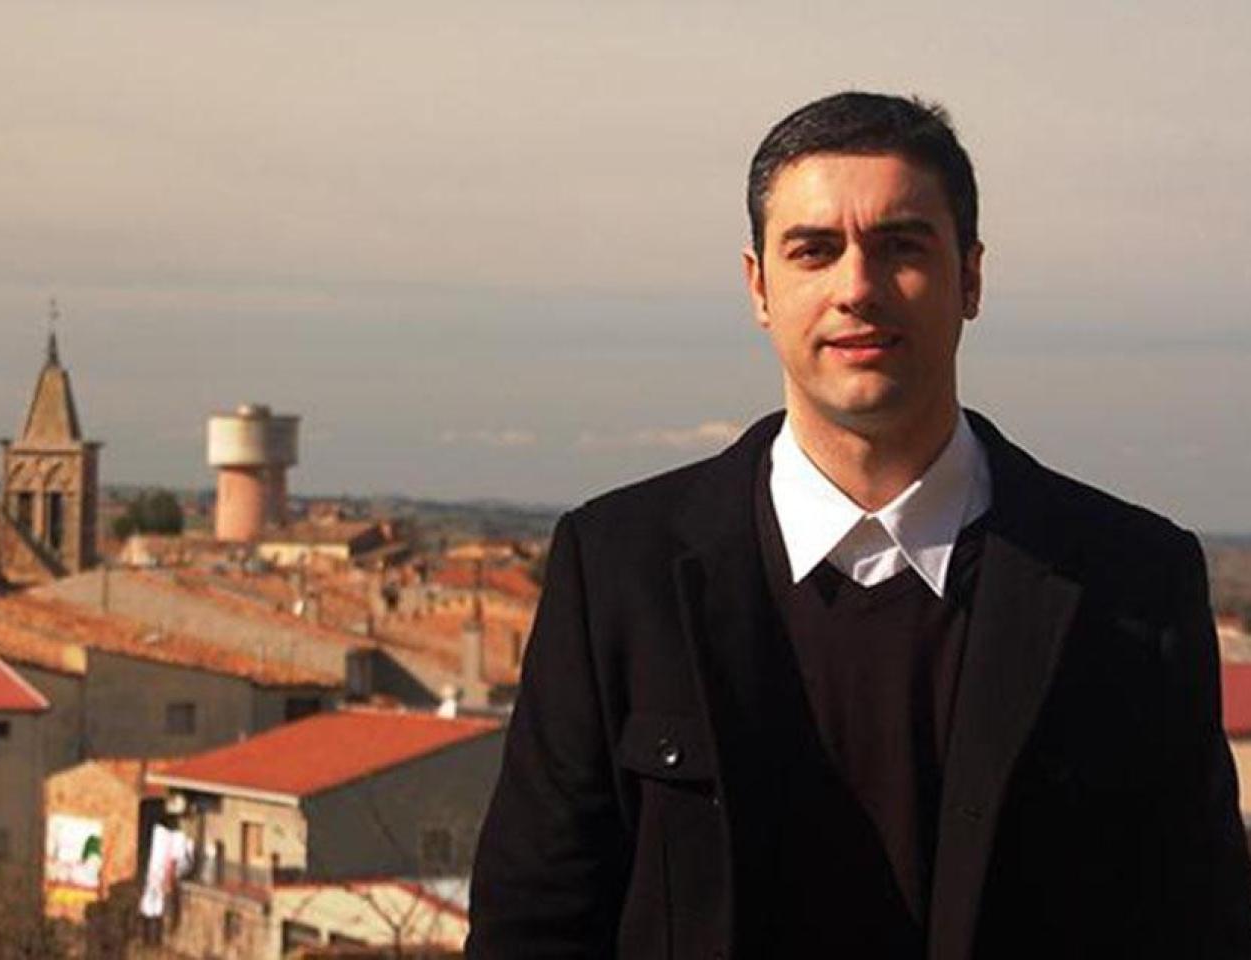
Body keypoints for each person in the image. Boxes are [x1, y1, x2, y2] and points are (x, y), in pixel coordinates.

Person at [466, 92, 1251, 959]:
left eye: (902, 246)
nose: (857, 289)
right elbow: (533, 926)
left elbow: (1198, 927)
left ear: (971, 278)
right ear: (760, 287)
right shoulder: (618, 570)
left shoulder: (1131, 583)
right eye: (814, 251)